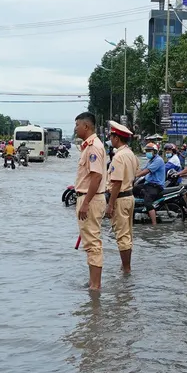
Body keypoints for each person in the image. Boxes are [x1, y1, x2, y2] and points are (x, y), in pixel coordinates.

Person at [74, 112, 107, 290]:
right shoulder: (88, 146)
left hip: (91, 199)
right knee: (89, 242)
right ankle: (93, 282)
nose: (75, 128)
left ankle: (96, 286)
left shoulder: (93, 147)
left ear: (86, 126)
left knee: (93, 243)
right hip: (89, 198)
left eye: (77, 125)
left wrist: (85, 203)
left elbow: (96, 177)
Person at [105, 121, 139, 274]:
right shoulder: (131, 154)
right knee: (127, 233)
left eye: (111, 136)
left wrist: (110, 204)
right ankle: (125, 266)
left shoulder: (119, 156)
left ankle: (126, 269)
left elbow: (116, 182)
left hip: (120, 198)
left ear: (116, 138)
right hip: (129, 196)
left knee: (122, 235)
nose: (110, 139)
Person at [135, 143, 167, 226]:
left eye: (149, 151)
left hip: (156, 186)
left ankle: (154, 224)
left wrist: (135, 175)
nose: (147, 152)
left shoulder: (158, 160)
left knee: (148, 202)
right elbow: (142, 169)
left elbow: (146, 171)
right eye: (146, 151)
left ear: (155, 151)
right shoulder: (151, 161)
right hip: (148, 184)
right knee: (133, 190)